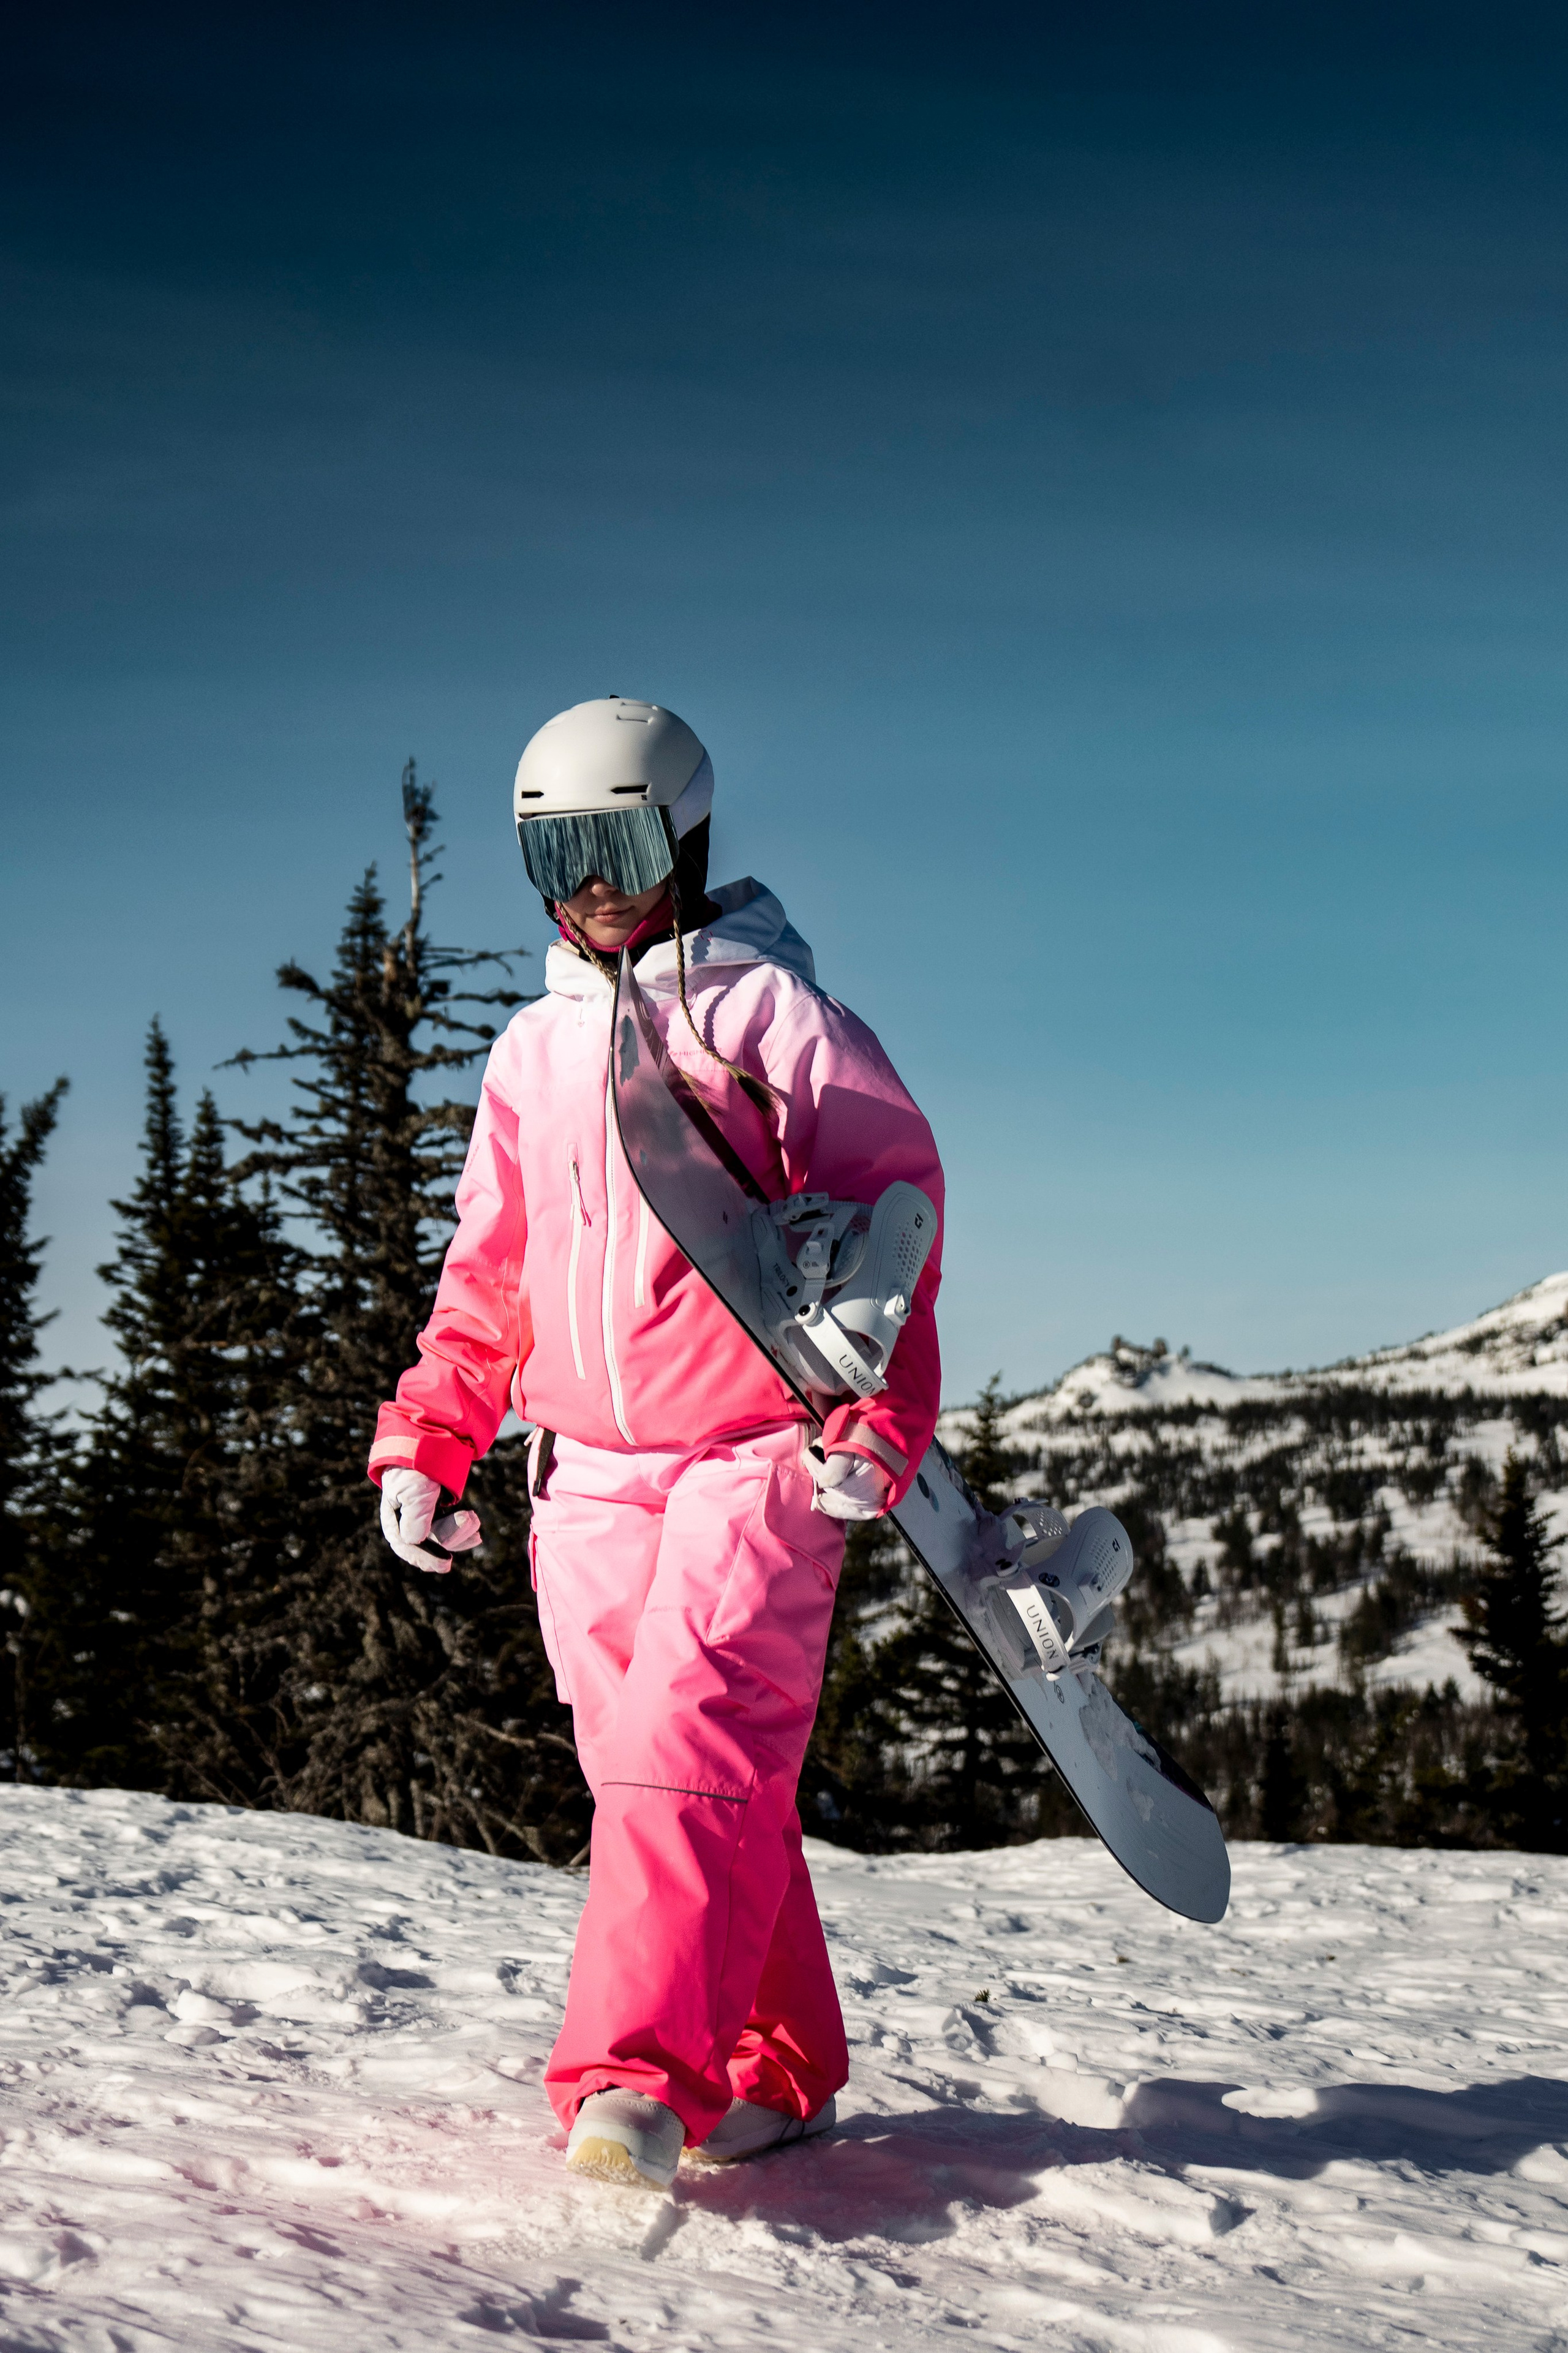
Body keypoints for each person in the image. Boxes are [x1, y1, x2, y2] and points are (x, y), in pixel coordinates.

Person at [368, 697, 944, 2191]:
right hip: (586, 1474)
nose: (594, 884)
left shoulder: (768, 1015)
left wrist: (875, 1418)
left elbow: (897, 1223)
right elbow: (489, 1271)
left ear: (684, 834)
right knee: (655, 1770)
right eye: (556, 852)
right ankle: (780, 2062)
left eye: (621, 844)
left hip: (754, 1450)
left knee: (688, 1756)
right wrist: (432, 1433)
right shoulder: (531, 1052)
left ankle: (633, 2080)